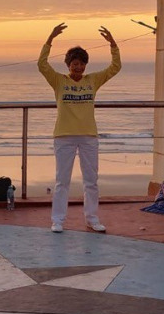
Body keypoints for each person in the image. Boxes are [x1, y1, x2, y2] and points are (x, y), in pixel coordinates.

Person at [38, 23, 121, 233]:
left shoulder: (93, 80)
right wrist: (50, 38)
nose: (78, 67)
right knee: (61, 181)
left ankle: (92, 218)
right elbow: (42, 65)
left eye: (82, 64)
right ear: (68, 64)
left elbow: (115, 68)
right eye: (75, 63)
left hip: (88, 136)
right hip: (63, 136)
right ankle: (58, 220)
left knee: (91, 181)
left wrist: (113, 44)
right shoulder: (59, 81)